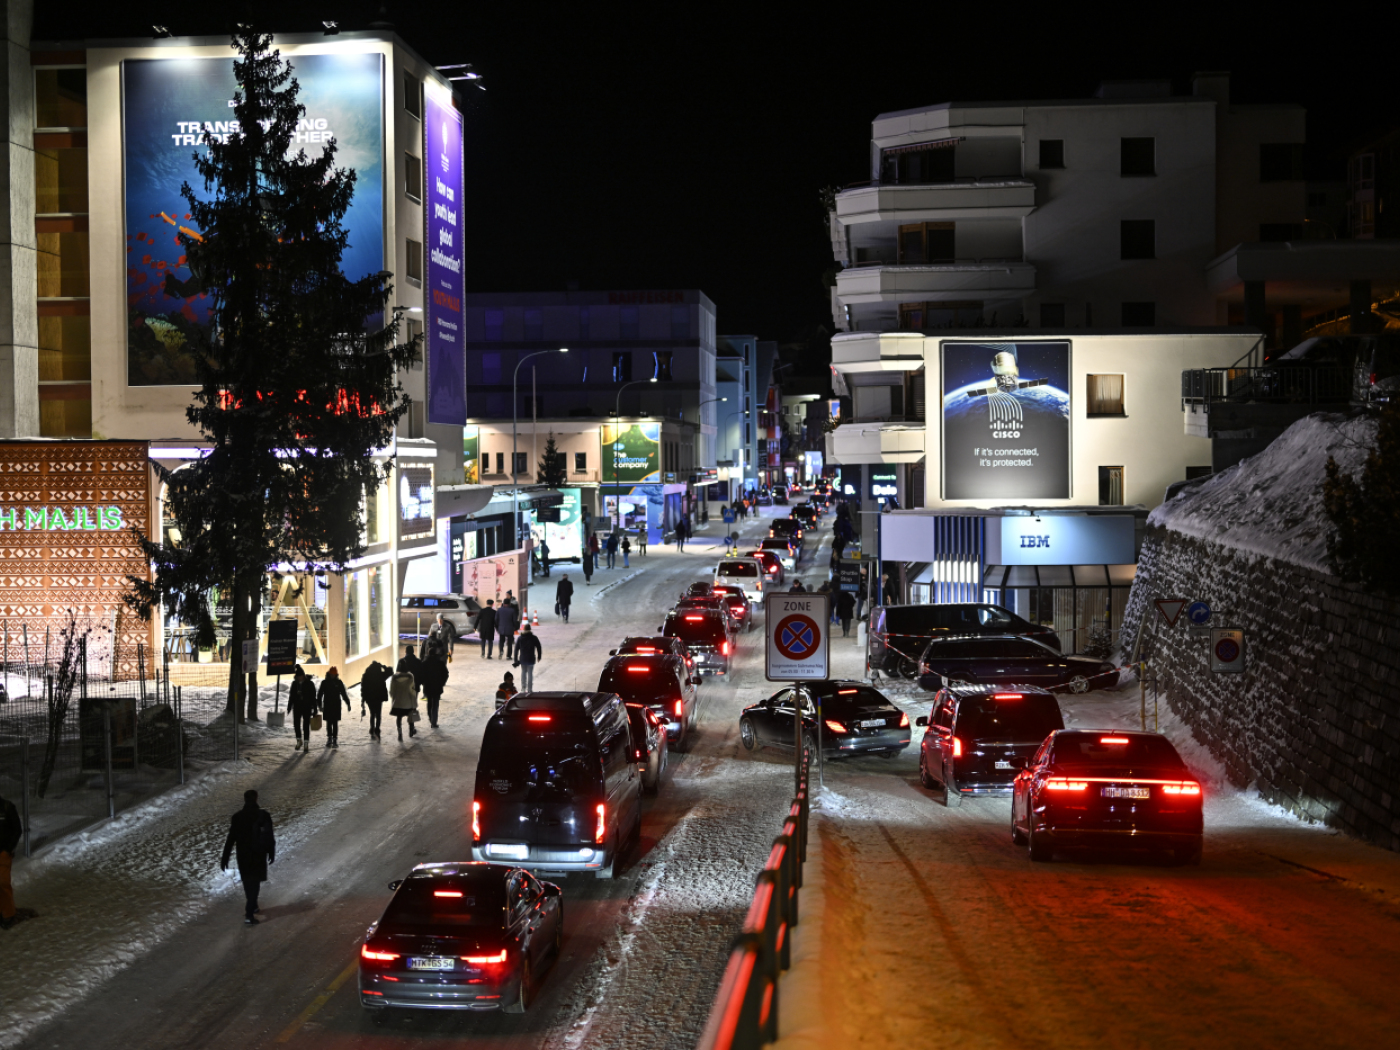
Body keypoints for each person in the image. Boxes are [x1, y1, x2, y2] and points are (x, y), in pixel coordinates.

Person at [220, 789, 275, 926]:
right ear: (256, 798)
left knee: (247, 881)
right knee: (255, 883)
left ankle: (253, 905)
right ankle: (249, 914)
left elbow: (230, 839)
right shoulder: (263, 815)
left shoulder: (237, 817)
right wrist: (271, 851)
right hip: (258, 854)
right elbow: (269, 835)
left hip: (243, 854)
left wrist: (225, 857)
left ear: (244, 799)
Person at [0, 789, 22, 930]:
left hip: (2, 854)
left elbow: (17, 829)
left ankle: (8, 914)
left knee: (3, 883)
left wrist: (8, 849)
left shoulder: (7, 807)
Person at [317, 667, 351, 749]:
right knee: (329, 722)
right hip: (327, 705)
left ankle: (335, 739)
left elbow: (343, 693)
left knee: (335, 723)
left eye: (334, 674)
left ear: (336, 675)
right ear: (329, 674)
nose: (332, 676)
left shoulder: (339, 683)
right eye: (331, 674)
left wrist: (348, 703)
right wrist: (319, 705)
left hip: (336, 705)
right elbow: (320, 694)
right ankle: (329, 738)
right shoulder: (324, 683)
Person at [288, 666, 318, 752]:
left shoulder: (309, 684)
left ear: (303, 676)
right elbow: (291, 696)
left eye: (300, 676)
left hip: (307, 707)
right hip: (297, 707)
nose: (299, 678)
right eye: (298, 676)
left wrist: (315, 708)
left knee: (306, 725)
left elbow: (313, 697)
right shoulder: (294, 684)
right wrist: (289, 706)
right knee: (296, 724)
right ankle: (299, 740)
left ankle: (306, 742)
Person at [360, 660, 392, 739]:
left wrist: (363, 700)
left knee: (372, 714)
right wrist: (383, 666)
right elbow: (390, 671)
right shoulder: (380, 675)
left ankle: (372, 728)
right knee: (378, 714)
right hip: (378, 697)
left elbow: (363, 688)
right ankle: (377, 729)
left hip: (369, 698)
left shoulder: (366, 675)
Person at [419, 649, 449, 728]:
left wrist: (423, 683)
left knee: (429, 703)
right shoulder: (440, 663)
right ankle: (434, 721)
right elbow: (446, 674)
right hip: (437, 686)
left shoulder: (424, 663)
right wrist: (442, 683)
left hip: (428, 686)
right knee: (435, 704)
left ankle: (430, 718)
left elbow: (421, 675)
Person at [390, 666, 419, 741]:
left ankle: (400, 734)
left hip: (398, 702)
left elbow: (392, 690)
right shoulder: (410, 676)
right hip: (408, 701)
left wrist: (394, 698)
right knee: (411, 717)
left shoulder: (394, 677)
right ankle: (411, 730)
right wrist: (414, 701)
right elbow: (412, 690)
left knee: (399, 718)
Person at [514, 623, 543, 691]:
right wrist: (539, 656)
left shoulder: (520, 638)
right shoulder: (534, 638)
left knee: (523, 672)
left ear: (523, 629)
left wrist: (515, 659)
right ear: (530, 629)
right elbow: (539, 647)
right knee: (530, 673)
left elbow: (516, 649)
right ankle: (530, 689)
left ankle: (523, 687)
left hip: (523, 658)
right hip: (531, 658)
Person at [496, 597, 519, 662]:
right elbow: (515, 620)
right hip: (510, 628)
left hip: (501, 628)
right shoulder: (512, 610)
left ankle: (501, 651)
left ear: (503, 603)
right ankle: (508, 656)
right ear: (509, 604)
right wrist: (515, 627)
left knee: (501, 641)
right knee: (509, 643)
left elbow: (496, 619)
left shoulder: (499, 610)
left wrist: (498, 627)